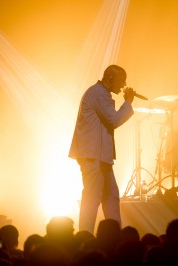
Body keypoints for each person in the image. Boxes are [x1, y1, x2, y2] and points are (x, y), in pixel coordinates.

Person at [69, 64, 136, 234]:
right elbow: (113, 120)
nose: (123, 85)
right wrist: (127, 102)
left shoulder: (101, 93)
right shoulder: (99, 93)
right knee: (92, 198)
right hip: (93, 155)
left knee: (111, 197)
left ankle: (114, 236)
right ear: (110, 78)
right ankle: (85, 237)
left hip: (99, 155)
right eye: (121, 80)